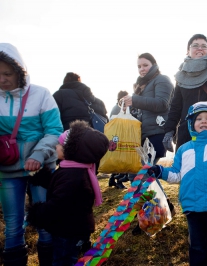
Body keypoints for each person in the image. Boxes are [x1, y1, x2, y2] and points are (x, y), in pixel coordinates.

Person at [149, 101, 207, 266]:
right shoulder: (184, 149)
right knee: (197, 246)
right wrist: (160, 171)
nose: (204, 121)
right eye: (199, 118)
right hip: (192, 206)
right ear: (191, 123)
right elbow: (176, 174)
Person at [0, 43, 64, 266]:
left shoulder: (41, 94)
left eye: (7, 73)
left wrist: (38, 154)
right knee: (12, 223)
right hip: (7, 171)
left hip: (41, 168)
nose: (2, 80)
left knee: (46, 221)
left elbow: (54, 130)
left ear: (20, 71)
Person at [27, 120, 109, 266]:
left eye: (60, 144)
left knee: (63, 261)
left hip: (68, 232)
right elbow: (59, 185)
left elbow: (60, 203)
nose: (56, 146)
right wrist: (43, 178)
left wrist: (37, 213)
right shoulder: (76, 169)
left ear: (71, 150)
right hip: (75, 228)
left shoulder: (72, 175)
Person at [122, 53, 174, 164]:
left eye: (145, 65)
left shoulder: (162, 79)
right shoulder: (141, 86)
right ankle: (154, 179)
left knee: (142, 172)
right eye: (139, 67)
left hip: (157, 132)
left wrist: (135, 100)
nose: (142, 69)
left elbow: (162, 103)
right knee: (140, 172)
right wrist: (127, 107)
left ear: (154, 64)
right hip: (143, 134)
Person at [108, 90, 129, 189]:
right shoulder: (119, 108)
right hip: (119, 136)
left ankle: (112, 179)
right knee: (121, 159)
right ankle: (118, 181)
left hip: (114, 136)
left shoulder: (115, 107)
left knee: (117, 159)